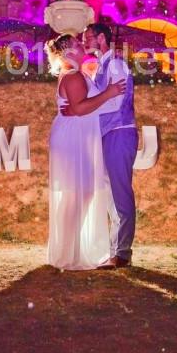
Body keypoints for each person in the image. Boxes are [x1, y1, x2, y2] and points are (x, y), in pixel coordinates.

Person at [45, 34, 126, 271]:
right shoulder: (72, 76)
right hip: (73, 137)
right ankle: (69, 251)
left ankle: (68, 248)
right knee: (80, 191)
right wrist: (109, 93)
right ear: (68, 53)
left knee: (80, 192)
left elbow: (80, 106)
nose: (82, 46)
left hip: (75, 134)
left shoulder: (76, 74)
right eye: (78, 45)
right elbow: (80, 108)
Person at [69, 22, 138, 268]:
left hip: (120, 132)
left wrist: (85, 108)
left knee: (120, 193)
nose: (85, 41)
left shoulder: (116, 65)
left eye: (88, 37)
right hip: (108, 134)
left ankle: (122, 253)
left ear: (101, 38)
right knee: (111, 194)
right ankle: (116, 251)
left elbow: (115, 104)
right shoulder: (100, 68)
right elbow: (104, 99)